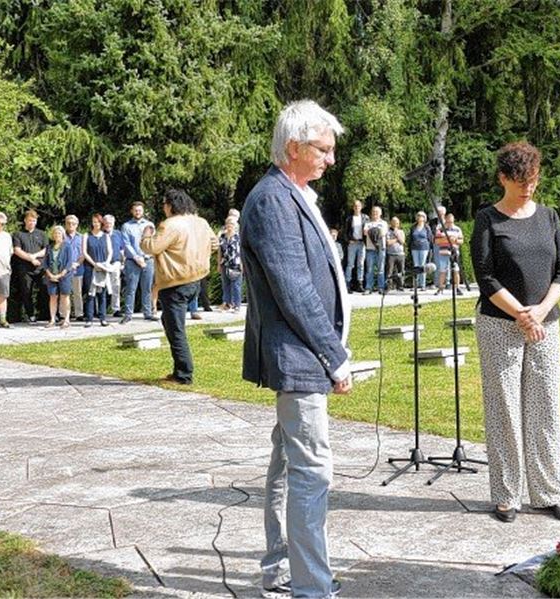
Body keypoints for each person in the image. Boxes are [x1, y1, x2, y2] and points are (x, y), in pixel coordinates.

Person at [242, 100, 350, 599]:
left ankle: (283, 570)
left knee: (289, 465)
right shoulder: (272, 200)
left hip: (305, 354)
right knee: (311, 471)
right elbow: (295, 291)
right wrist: (335, 354)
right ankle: (311, 588)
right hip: (301, 357)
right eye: (323, 149)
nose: (330, 159)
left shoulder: (296, 193)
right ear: (293, 147)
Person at [470, 141, 560, 524]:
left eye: (532, 179)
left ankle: (550, 491)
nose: (528, 186)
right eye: (519, 180)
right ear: (503, 179)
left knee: (546, 407)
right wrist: (521, 315)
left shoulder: (549, 216)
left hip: (547, 323)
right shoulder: (488, 219)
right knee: (505, 409)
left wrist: (541, 311)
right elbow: (485, 276)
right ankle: (507, 495)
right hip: (499, 324)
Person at [140, 189, 218, 385]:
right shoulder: (201, 222)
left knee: (176, 330)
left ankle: (184, 374)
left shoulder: (170, 225)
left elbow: (151, 248)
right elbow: (215, 243)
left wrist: (146, 236)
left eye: (164, 204)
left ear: (170, 205)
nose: (163, 208)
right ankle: (179, 369)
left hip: (175, 282)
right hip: (196, 280)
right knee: (169, 321)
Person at [121, 201, 156, 323]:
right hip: (132, 261)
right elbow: (126, 244)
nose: (137, 212)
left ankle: (148, 313)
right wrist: (137, 257)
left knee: (147, 288)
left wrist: (147, 256)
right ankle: (128, 314)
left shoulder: (150, 225)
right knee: (131, 289)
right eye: (135, 210)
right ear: (132, 211)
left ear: (143, 211)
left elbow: (153, 242)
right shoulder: (126, 226)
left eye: (140, 210)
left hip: (148, 260)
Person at [11, 210, 48, 323]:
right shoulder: (18, 234)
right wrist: (31, 259)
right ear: (25, 220)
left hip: (40, 268)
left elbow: (46, 249)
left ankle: (45, 314)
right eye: (30, 220)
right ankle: (30, 314)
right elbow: (17, 250)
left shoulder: (42, 234)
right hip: (24, 269)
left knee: (45, 290)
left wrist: (35, 256)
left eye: (34, 220)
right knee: (27, 292)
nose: (32, 222)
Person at [81, 214, 113, 327]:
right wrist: (94, 264)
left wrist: (105, 264)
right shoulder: (86, 235)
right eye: (94, 222)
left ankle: (103, 318)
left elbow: (110, 252)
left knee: (102, 294)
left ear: (101, 223)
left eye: (98, 222)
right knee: (90, 294)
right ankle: (89, 318)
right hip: (90, 267)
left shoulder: (106, 236)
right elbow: (84, 252)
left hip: (103, 267)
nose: (96, 224)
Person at [43, 225, 74, 329]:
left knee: (65, 296)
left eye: (59, 233)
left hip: (64, 276)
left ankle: (66, 319)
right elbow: (45, 263)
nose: (57, 235)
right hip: (51, 276)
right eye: (55, 233)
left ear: (63, 234)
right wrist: (50, 274)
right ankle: (52, 319)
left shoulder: (67, 246)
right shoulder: (49, 247)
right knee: (53, 297)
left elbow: (69, 262)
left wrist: (61, 274)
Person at [102, 214, 126, 315]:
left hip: (116, 262)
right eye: (106, 223)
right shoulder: (100, 234)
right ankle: (101, 309)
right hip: (103, 263)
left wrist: (123, 262)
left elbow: (122, 249)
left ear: (113, 223)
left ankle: (116, 308)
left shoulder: (118, 234)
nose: (108, 225)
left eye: (110, 223)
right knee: (102, 286)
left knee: (116, 285)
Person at [218, 215, 242, 312]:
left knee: (236, 285)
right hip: (225, 263)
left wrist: (242, 263)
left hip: (236, 263)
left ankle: (237, 304)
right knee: (225, 284)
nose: (229, 225)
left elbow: (242, 251)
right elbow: (220, 251)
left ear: (235, 225)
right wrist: (218, 264)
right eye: (228, 223)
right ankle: (227, 303)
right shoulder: (222, 236)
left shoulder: (238, 237)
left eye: (231, 224)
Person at [363, 206, 388, 294]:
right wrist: (375, 230)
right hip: (370, 248)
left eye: (377, 212)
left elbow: (383, 233)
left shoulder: (384, 223)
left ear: (380, 213)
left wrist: (372, 231)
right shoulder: (367, 223)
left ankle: (381, 287)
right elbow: (365, 232)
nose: (375, 213)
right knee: (369, 269)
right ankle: (368, 288)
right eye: (373, 212)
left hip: (381, 248)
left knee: (381, 269)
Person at [342, 200, 366, 292]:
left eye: (358, 206)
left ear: (361, 207)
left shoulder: (365, 218)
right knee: (350, 264)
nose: (357, 207)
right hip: (352, 243)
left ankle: (359, 284)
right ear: (353, 207)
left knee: (361, 264)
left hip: (362, 243)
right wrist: (348, 240)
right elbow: (344, 232)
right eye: (355, 206)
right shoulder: (349, 219)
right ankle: (347, 284)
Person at [64, 215, 85, 319]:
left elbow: (83, 253)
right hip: (64, 269)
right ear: (65, 224)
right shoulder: (62, 236)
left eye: (73, 223)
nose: (70, 225)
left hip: (78, 268)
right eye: (68, 223)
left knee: (78, 292)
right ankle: (63, 314)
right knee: (64, 292)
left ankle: (79, 314)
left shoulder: (81, 237)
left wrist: (77, 263)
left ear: (77, 225)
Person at [408, 211, 434, 290]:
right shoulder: (413, 227)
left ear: (424, 218)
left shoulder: (427, 227)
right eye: (418, 216)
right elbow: (411, 238)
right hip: (414, 247)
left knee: (423, 265)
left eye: (422, 216)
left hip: (424, 247)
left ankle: (422, 285)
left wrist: (430, 248)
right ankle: (415, 284)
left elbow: (430, 238)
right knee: (416, 266)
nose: (420, 217)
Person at [385, 215, 406, 292]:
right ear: (391, 223)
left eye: (397, 222)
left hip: (400, 254)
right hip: (391, 254)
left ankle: (400, 286)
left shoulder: (401, 231)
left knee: (401, 271)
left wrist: (397, 236)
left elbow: (403, 242)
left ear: (399, 223)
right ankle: (389, 286)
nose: (395, 224)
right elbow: (388, 243)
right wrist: (397, 239)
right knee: (389, 271)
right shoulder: (388, 232)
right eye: (393, 222)